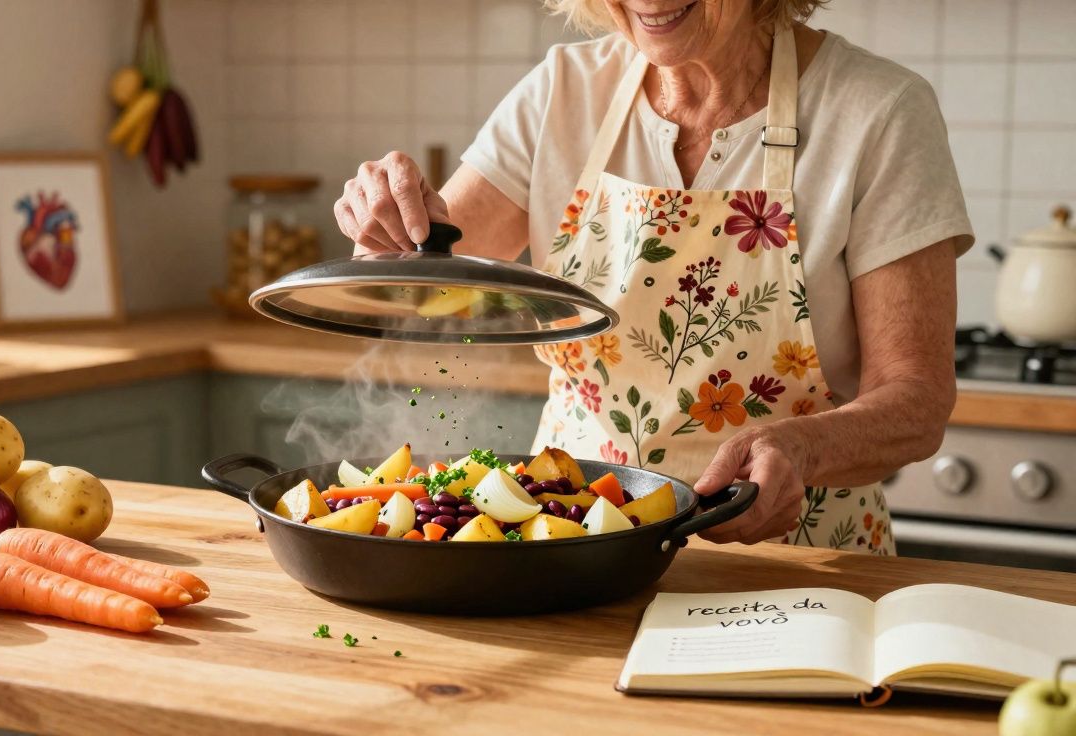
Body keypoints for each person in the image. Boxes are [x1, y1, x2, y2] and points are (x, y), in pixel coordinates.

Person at [333, 0, 973, 554]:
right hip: (570, 546)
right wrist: (385, 221)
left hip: (799, 564)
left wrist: (802, 450)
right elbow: (418, 289)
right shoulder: (562, 92)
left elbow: (917, 400)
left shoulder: (879, 111)